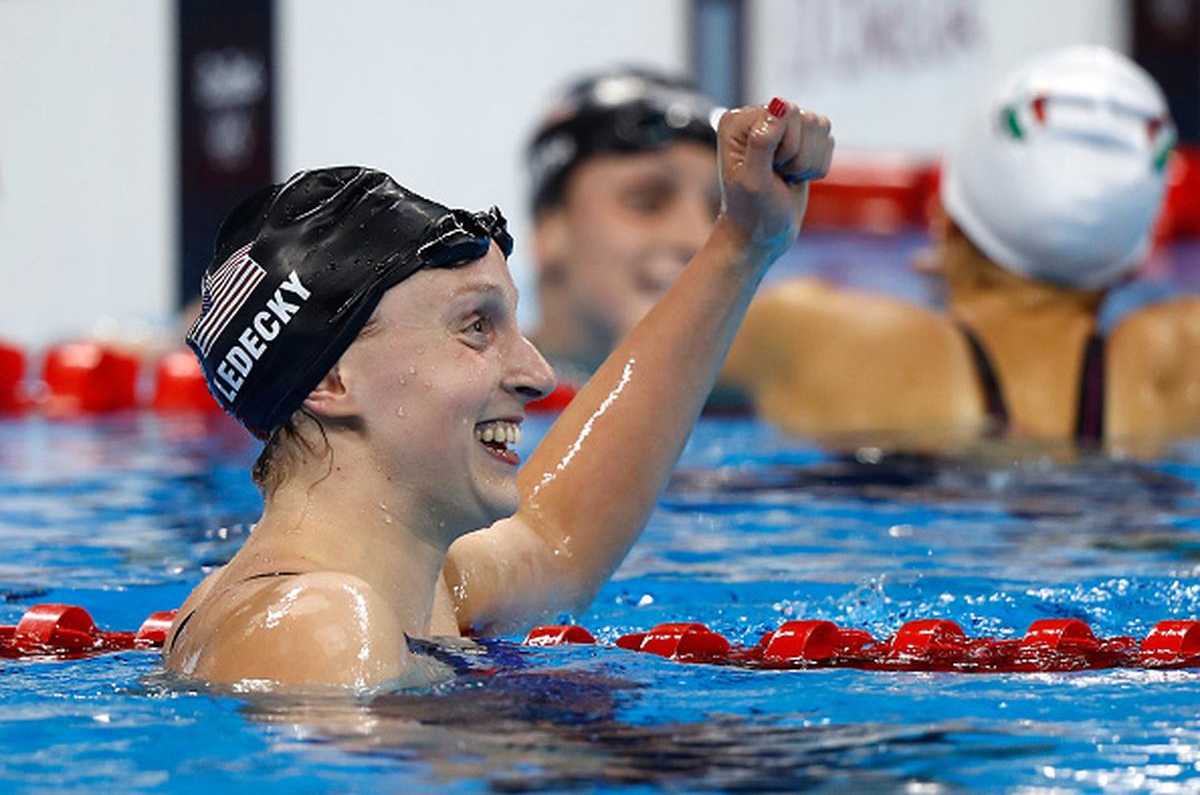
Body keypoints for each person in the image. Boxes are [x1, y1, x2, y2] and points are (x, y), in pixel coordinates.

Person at [164, 98, 835, 687]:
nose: (537, 374)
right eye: (476, 327)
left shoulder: (420, 590)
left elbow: (558, 537)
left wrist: (745, 243)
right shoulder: (319, 626)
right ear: (332, 380)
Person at [719, 46, 1200, 451]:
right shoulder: (1178, 362)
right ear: (1140, 253)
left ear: (944, 215)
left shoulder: (824, 338)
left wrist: (740, 239)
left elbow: (660, 356)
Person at [525, 68, 723, 395]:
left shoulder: (764, 396)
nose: (700, 239)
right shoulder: (469, 404)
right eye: (647, 202)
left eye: (720, 212)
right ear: (550, 229)